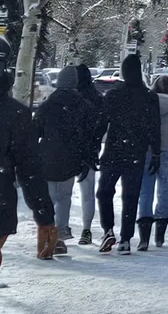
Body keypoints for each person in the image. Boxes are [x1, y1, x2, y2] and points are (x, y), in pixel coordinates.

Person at [0, 33, 57, 300]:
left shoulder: (14, 113)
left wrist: (44, 217)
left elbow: (30, 167)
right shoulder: (13, 113)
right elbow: (30, 167)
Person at [96, 53, 158, 254]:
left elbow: (102, 124)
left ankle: (108, 229)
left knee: (105, 191)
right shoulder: (149, 97)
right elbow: (154, 128)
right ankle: (125, 238)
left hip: (114, 149)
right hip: (136, 151)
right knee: (130, 196)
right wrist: (156, 153)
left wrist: (93, 146)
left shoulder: (114, 96)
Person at [34, 67, 98, 255]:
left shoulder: (48, 104)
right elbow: (90, 135)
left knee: (49, 198)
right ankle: (60, 236)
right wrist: (87, 157)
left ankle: (47, 236)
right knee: (64, 198)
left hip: (48, 156)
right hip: (71, 157)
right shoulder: (84, 105)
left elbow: (35, 130)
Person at [136, 74, 168, 248]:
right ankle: (160, 235)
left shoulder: (145, 102)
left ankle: (144, 235)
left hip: (148, 150)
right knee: (164, 190)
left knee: (145, 191)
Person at [72, 66, 105, 244]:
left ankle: (60, 227)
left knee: (63, 192)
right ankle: (86, 229)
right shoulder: (97, 98)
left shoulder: (70, 98)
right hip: (90, 150)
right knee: (87, 192)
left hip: (68, 150)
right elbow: (101, 126)